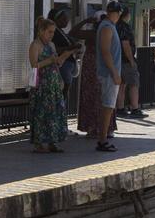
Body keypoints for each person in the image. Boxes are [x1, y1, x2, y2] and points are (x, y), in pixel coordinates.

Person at [29, 18, 73, 153]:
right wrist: (49, 60)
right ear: (41, 31)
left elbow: (56, 63)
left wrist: (65, 56)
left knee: (55, 114)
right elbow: (34, 66)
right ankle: (40, 143)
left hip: (53, 84)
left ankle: (53, 141)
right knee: (42, 114)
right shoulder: (35, 45)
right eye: (49, 32)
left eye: (53, 32)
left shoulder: (52, 45)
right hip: (41, 86)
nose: (51, 35)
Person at [96, 1, 124, 151]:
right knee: (107, 106)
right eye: (118, 13)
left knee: (108, 106)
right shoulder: (107, 27)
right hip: (108, 74)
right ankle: (102, 140)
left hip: (110, 73)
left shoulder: (109, 26)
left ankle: (103, 138)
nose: (118, 16)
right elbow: (105, 51)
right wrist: (114, 73)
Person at [74, 12, 108, 138]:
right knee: (102, 97)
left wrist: (85, 21)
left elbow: (73, 32)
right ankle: (104, 127)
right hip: (102, 67)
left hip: (91, 67)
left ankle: (92, 126)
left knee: (91, 96)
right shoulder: (108, 32)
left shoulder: (93, 34)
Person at [116, 7, 146, 119]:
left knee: (121, 85)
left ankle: (120, 108)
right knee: (134, 84)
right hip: (126, 61)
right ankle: (134, 108)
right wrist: (131, 60)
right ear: (127, 15)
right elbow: (125, 44)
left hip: (117, 60)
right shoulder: (125, 27)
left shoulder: (115, 26)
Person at [47, 8, 79, 93]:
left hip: (68, 66)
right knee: (62, 91)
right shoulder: (54, 32)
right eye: (64, 19)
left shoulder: (61, 31)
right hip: (62, 67)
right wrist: (70, 48)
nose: (67, 21)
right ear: (56, 20)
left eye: (67, 18)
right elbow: (53, 49)